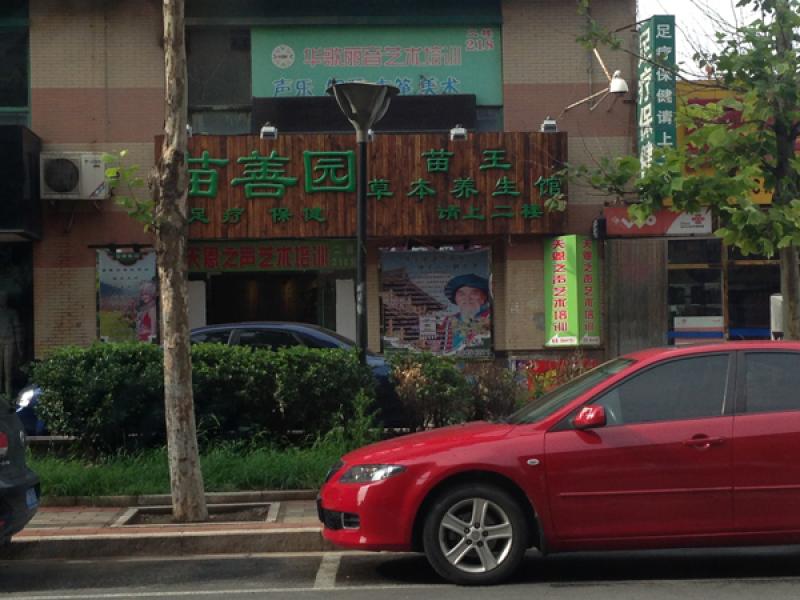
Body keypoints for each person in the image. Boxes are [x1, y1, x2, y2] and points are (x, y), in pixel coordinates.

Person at [435, 274, 491, 354]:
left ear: (484, 297)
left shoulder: (489, 317)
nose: (467, 298)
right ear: (455, 299)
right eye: (461, 294)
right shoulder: (449, 320)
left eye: (474, 293)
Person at [0, 291, 22, 398]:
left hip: (9, 341)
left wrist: (19, 346)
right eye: (1, 298)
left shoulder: (12, 313)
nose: (2, 300)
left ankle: (8, 394)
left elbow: (17, 329)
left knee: (8, 370)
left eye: (4, 297)